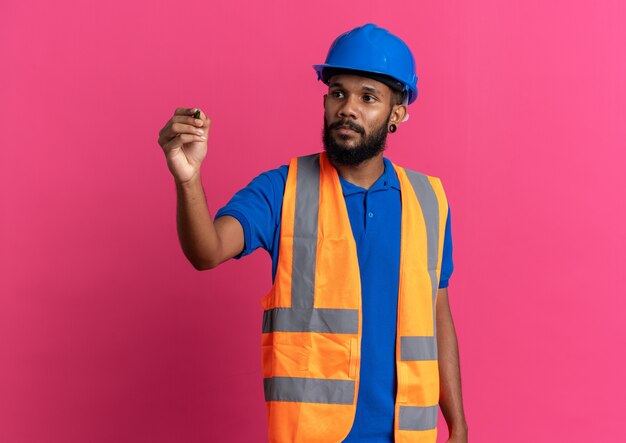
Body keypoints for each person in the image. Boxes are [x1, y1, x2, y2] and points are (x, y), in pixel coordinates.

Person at [158, 23, 468, 443]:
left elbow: (438, 314)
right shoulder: (282, 188)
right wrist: (188, 179)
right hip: (313, 434)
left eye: (368, 97)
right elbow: (206, 251)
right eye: (338, 93)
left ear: (397, 113)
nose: (348, 108)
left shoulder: (429, 200)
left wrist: (459, 424)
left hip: (408, 434)